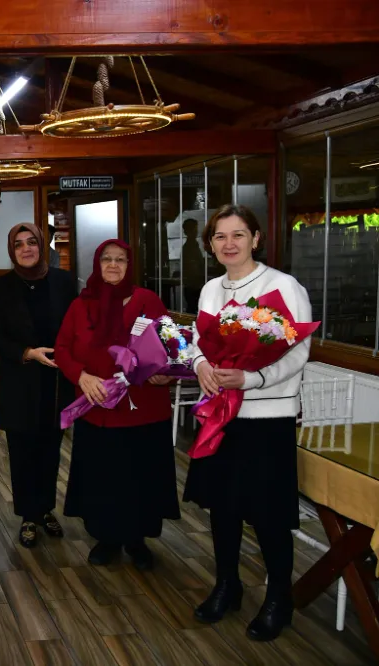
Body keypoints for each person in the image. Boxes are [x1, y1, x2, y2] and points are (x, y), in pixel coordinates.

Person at [183, 204, 311, 642]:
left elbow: (297, 352)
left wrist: (253, 377)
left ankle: (279, 598)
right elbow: (198, 341)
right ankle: (228, 585)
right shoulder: (210, 289)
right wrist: (200, 363)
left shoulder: (283, 286)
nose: (229, 244)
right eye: (220, 237)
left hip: (267, 417)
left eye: (238, 235)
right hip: (221, 415)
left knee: (270, 515)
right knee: (224, 509)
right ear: (211, 244)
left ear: (256, 238)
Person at [54, 239, 180, 571]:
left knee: (140, 477)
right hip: (99, 410)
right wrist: (81, 377)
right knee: (103, 477)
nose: (113, 265)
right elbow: (63, 348)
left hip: (144, 409)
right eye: (107, 259)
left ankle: (137, 540)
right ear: (97, 264)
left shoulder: (147, 300)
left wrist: (166, 374)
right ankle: (106, 538)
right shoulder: (81, 305)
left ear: (130, 264)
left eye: (120, 259)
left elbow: (171, 347)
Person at [0, 223, 77, 548]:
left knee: (51, 450)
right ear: (12, 251)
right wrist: (26, 353)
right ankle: (28, 515)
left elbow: (77, 326)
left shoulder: (64, 282)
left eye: (32, 243)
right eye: (19, 245)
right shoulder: (1, 287)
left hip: (55, 381)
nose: (26, 249)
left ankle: (46, 509)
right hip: (21, 380)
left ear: (42, 246)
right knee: (23, 451)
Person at [181, 218, 205, 312]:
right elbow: (193, 268)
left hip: (194, 285)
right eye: (194, 229)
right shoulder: (189, 247)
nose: (196, 232)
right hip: (193, 286)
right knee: (193, 311)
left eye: (196, 229)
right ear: (188, 231)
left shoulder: (193, 245)